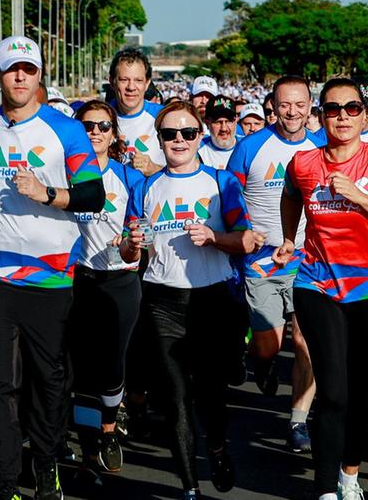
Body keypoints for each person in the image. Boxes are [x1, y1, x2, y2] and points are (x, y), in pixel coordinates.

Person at [0, 36, 106, 500]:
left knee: (49, 381)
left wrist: (49, 195)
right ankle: (4, 482)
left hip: (50, 278)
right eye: (12, 69)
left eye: (29, 69)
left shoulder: (65, 130)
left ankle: (45, 466)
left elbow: (93, 195)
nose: (21, 77)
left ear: (40, 76)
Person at [272, 78, 368, 500]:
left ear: (366, 115)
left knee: (361, 392)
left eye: (352, 108)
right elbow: (290, 196)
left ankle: (349, 473)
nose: (343, 117)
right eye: (333, 109)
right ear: (321, 116)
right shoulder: (304, 163)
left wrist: (359, 197)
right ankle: (324, 489)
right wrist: (288, 236)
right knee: (333, 392)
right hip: (318, 285)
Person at [125, 100, 259, 500]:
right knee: (176, 398)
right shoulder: (145, 186)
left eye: (187, 133)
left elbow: (247, 240)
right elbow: (132, 253)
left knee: (211, 394)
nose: (178, 140)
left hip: (212, 300)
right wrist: (131, 245)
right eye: (169, 134)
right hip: (162, 300)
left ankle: (217, 449)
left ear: (200, 137)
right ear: (159, 140)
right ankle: (189, 488)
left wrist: (215, 237)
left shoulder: (221, 183)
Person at [227, 75, 323, 454]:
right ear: (273, 105)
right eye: (285, 104)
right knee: (269, 345)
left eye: (300, 104)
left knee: (305, 341)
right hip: (262, 263)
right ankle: (262, 363)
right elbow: (229, 197)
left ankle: (298, 421)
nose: (293, 112)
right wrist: (245, 230)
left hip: (309, 262)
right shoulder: (250, 147)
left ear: (310, 106)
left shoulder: (320, 148)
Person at [67, 100, 144, 474]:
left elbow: (137, 232)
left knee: (112, 366)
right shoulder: (64, 175)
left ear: (113, 134)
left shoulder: (128, 178)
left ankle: (109, 429)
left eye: (102, 126)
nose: (94, 132)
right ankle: (87, 453)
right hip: (77, 279)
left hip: (120, 279)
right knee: (81, 369)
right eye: (87, 126)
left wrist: (128, 243)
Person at [110, 48, 164, 176]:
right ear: (112, 82)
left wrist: (154, 169)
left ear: (147, 83)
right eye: (124, 80)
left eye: (138, 80)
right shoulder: (97, 118)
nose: (131, 87)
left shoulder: (164, 117)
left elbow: (189, 170)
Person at [198, 95, 239, 169]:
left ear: (236, 121)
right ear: (207, 123)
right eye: (217, 122)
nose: (223, 128)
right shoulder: (196, 149)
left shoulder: (248, 146)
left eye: (228, 121)